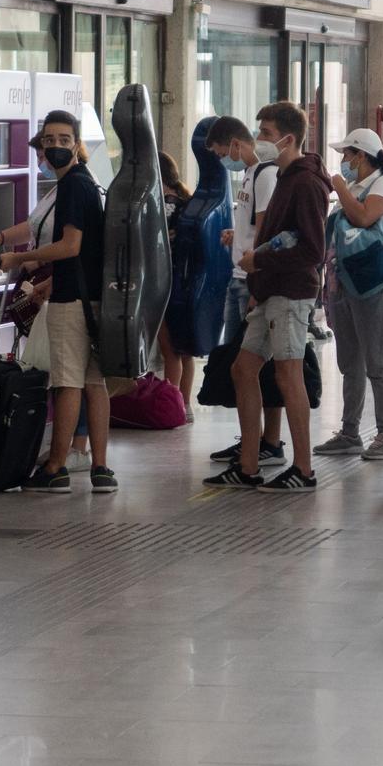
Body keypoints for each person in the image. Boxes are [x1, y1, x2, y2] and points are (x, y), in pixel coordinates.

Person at [204, 102, 330, 491]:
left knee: (288, 375)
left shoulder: (305, 183)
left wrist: (261, 260)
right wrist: (258, 281)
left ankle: (304, 470)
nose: (260, 139)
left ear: (288, 139)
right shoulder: (287, 177)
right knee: (243, 369)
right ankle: (249, 465)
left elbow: (312, 250)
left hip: (291, 293)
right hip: (269, 290)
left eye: (266, 134)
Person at [0, 110, 116, 494]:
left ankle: (56, 467)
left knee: (67, 385)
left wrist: (19, 259)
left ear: (77, 143)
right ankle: (100, 467)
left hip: (72, 302)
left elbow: (71, 245)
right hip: (94, 298)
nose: (56, 146)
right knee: (94, 383)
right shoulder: (86, 184)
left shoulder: (72, 188)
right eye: (50, 140)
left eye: (64, 140)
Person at [315, 127, 383, 462]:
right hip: (345, 283)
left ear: (361, 155)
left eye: (347, 155)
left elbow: (365, 217)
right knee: (349, 360)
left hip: (374, 283)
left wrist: (339, 187)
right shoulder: (356, 186)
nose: (344, 162)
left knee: (377, 361)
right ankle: (350, 432)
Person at [204, 116, 287, 467]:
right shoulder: (250, 174)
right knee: (242, 366)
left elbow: (267, 228)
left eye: (224, 152)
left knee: (257, 366)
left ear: (236, 144)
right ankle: (250, 440)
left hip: (250, 279)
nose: (224, 158)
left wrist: (258, 282)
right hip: (239, 276)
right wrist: (234, 237)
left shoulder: (267, 174)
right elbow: (252, 224)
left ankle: (268, 442)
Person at [155, 150, 195, 407]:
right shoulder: (186, 200)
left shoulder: (163, 204)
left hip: (164, 281)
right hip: (186, 282)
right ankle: (185, 404)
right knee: (184, 350)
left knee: (169, 349)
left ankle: (172, 406)